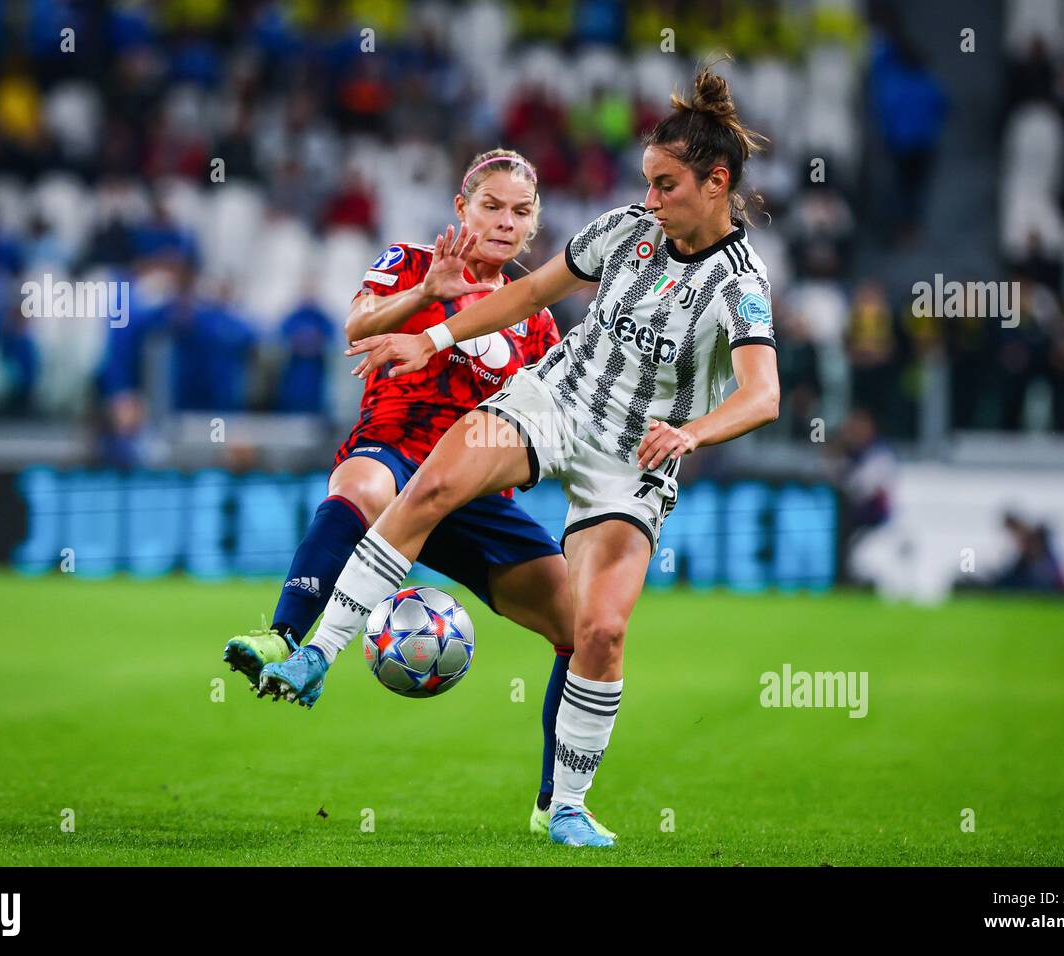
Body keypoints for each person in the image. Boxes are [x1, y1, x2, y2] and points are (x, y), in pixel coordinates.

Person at [260, 69, 781, 847]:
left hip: (632, 460)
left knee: (598, 631)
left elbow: (762, 395)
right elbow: (529, 294)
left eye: (666, 185)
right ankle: (318, 653)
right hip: (555, 402)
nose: (651, 199)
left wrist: (694, 434)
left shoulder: (741, 287)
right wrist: (429, 335)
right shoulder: (625, 230)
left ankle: (564, 806)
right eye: (646, 182)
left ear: (717, 183)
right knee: (433, 483)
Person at [224, 149, 614, 840]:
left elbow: (540, 429)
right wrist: (428, 294)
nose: (504, 221)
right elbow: (358, 327)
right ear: (461, 209)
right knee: (364, 483)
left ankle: (558, 804)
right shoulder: (410, 259)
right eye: (490, 205)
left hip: (477, 488)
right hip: (399, 447)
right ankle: (284, 637)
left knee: (578, 628)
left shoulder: (537, 320)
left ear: (533, 227)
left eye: (520, 212)